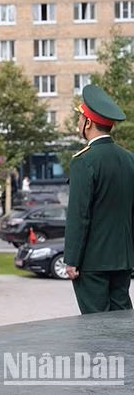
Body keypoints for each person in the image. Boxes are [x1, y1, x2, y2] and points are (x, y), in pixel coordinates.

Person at [64, 84, 134, 314]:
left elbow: (79, 214)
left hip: (92, 262)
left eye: (80, 117)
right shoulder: (129, 159)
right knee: (123, 325)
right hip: (123, 259)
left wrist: (72, 259)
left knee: (96, 329)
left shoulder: (84, 161)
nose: (78, 122)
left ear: (89, 123)